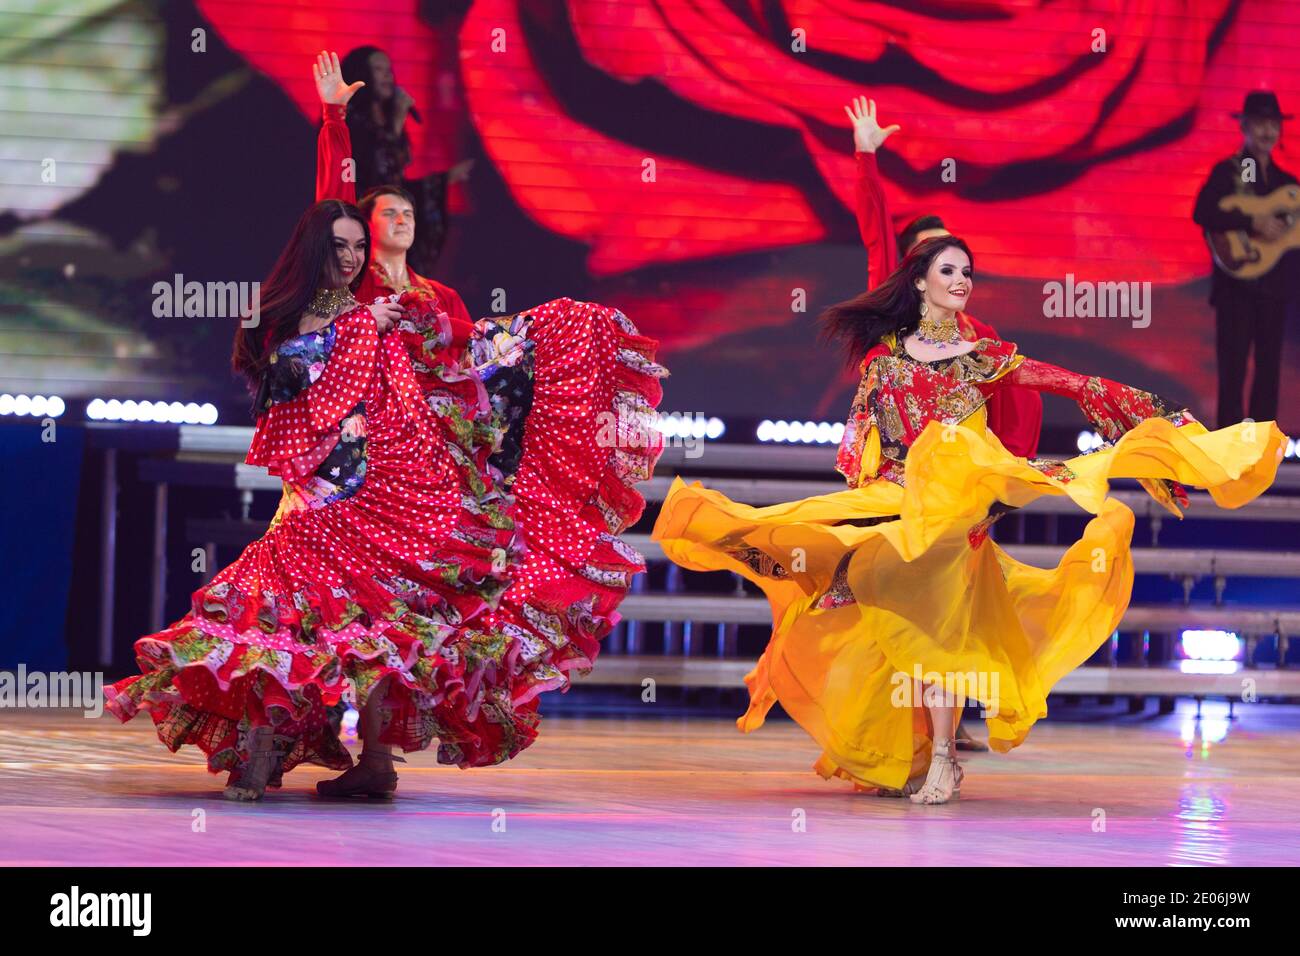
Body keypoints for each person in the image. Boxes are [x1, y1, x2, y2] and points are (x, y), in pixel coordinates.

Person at [653, 235, 1284, 805]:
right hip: (894, 505)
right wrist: (866, 483)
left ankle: (946, 762)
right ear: (921, 281)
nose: (962, 281)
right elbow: (857, 435)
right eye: (949, 271)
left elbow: (1074, 384)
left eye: (968, 273)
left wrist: (1155, 418)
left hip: (956, 520)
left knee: (942, 638)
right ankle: (909, 755)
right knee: (859, 610)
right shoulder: (885, 360)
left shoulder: (983, 357)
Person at [843, 95, 1046, 752]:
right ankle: (900, 739)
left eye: (954, 259)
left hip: (958, 495)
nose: (947, 270)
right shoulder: (895, 319)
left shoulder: (979, 336)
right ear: (913, 273)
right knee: (892, 609)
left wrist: (1000, 480)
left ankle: (941, 732)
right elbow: (875, 227)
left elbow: (1016, 399)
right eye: (931, 258)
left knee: (949, 607)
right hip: (897, 485)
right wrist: (868, 156)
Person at [1192, 90, 1298, 428]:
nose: (1268, 132)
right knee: (1233, 372)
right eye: (1261, 124)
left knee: (1268, 372)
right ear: (1245, 126)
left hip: (1274, 290)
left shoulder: (1286, 184)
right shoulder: (1233, 172)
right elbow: (1204, 211)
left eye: (1273, 125)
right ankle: (1228, 456)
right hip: (1236, 291)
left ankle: (1258, 461)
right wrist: (1251, 222)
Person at [335, 46, 469, 275]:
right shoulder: (349, 121)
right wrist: (397, 120)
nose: (388, 76)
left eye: (389, 69)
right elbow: (379, 176)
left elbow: (395, 183)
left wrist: (443, 180)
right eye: (378, 69)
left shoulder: (386, 119)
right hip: (359, 223)